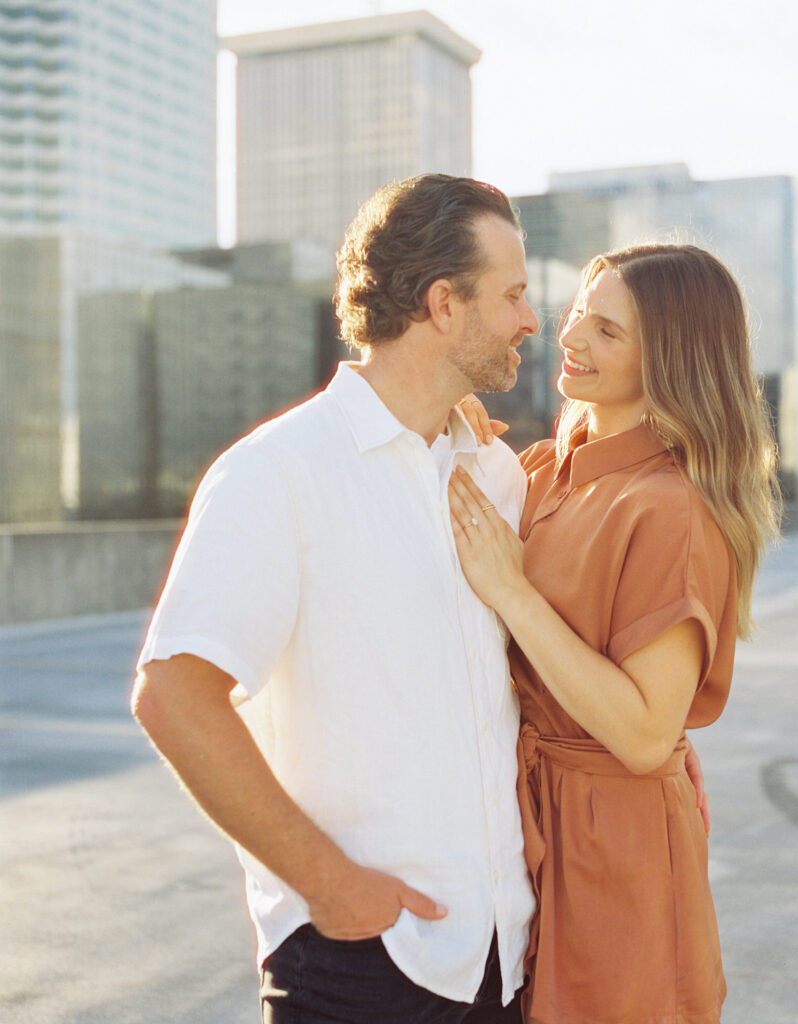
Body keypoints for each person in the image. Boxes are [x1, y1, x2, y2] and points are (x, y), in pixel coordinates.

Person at [131, 174, 543, 1023]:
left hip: (501, 960)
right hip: (360, 963)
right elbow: (173, 694)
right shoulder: (279, 471)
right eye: (512, 296)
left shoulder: (497, 474)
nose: (529, 320)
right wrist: (334, 889)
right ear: (442, 303)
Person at [447, 243, 781, 1024]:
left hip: (614, 851)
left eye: (607, 331)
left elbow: (640, 732)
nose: (570, 339)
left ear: (669, 359)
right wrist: (448, 427)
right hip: (524, 833)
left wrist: (514, 592)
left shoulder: (670, 508)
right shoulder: (537, 470)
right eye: (575, 315)